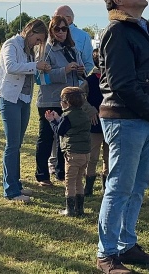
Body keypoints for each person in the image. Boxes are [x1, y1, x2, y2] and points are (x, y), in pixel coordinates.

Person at [96, 0, 149, 274]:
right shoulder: (117, 31)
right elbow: (121, 82)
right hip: (125, 119)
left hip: (145, 119)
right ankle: (107, 254)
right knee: (119, 187)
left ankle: (127, 244)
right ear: (117, 0)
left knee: (138, 186)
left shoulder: (144, 30)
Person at [0, 19, 49, 203]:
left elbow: (28, 71)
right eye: (38, 39)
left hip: (24, 99)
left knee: (16, 144)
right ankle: (10, 190)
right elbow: (11, 67)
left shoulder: (28, 50)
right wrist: (35, 66)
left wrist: (40, 69)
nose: (38, 43)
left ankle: (15, 184)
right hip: (10, 98)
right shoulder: (11, 45)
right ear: (30, 31)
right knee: (12, 145)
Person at [35, 16, 85, 187]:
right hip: (49, 100)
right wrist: (65, 69)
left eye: (64, 29)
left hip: (68, 102)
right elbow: (42, 76)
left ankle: (61, 172)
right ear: (51, 30)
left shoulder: (72, 48)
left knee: (65, 137)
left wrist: (79, 70)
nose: (61, 32)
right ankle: (42, 175)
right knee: (47, 138)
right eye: (57, 29)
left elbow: (78, 70)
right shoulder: (46, 49)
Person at [45, 87, 92, 217]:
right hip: (85, 154)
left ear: (66, 102)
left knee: (70, 182)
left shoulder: (67, 116)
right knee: (79, 180)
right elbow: (70, 126)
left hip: (73, 154)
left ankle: (70, 210)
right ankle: (80, 209)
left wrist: (52, 121)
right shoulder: (83, 114)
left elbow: (60, 131)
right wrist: (59, 118)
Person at [84, 48, 108, 197]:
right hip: (95, 124)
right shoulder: (89, 80)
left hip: (110, 122)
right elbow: (79, 97)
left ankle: (106, 186)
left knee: (109, 157)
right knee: (92, 157)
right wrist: (90, 109)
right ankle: (89, 187)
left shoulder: (113, 78)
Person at [54, 5, 95, 74]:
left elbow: (88, 63)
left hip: (76, 83)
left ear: (68, 19)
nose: (53, 20)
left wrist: (81, 73)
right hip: (54, 83)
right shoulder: (49, 35)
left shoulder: (83, 36)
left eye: (57, 17)